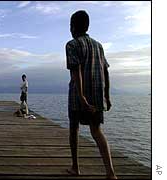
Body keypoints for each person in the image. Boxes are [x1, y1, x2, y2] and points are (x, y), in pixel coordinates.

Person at [65, 10, 117, 179]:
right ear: (87, 26)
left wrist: (82, 97)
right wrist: (107, 96)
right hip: (97, 96)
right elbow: (105, 71)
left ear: (73, 27)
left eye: (70, 26)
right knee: (96, 131)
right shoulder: (98, 46)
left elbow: (76, 71)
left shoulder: (72, 45)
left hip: (77, 98)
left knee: (74, 129)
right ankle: (110, 173)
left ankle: (75, 168)